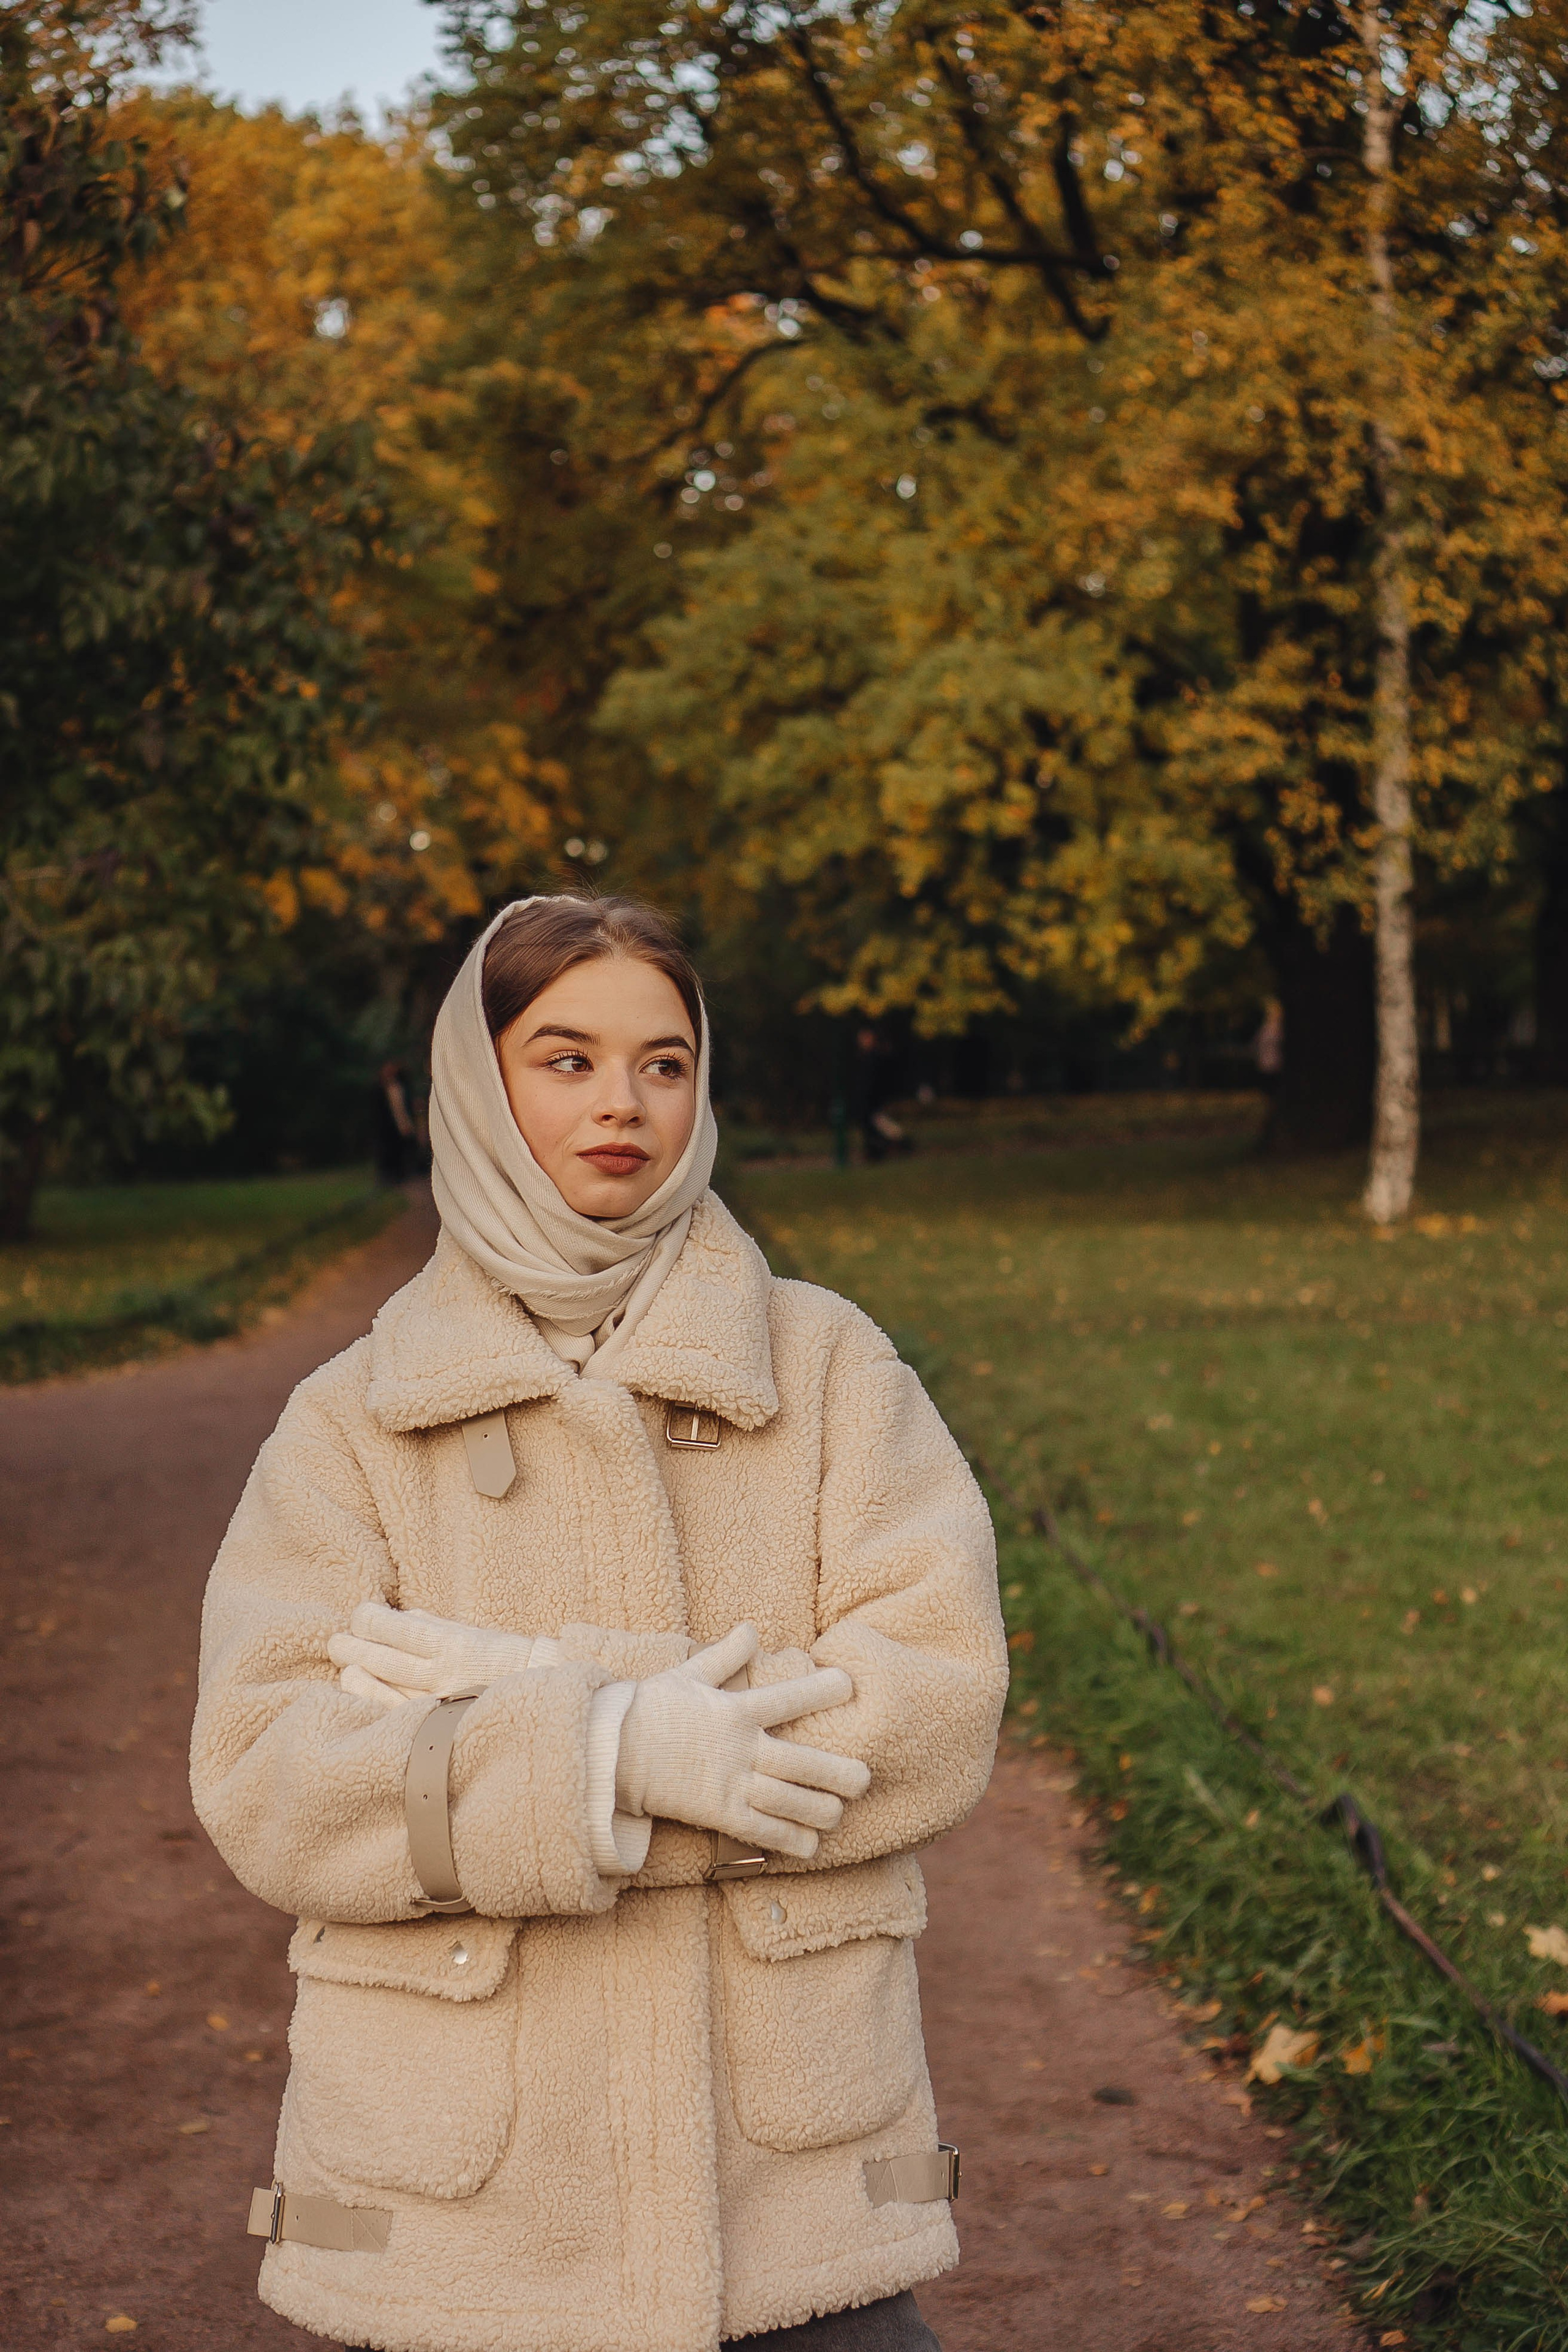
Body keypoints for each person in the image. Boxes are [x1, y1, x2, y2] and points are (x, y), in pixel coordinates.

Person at [190, 894, 1008, 2352]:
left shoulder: (825, 1368)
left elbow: (933, 1702)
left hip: (788, 2191)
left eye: (663, 1061)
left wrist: (530, 1703)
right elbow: (268, 1774)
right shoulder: (349, 1422)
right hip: (460, 2204)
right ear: (477, 1081)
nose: (620, 1104)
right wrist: (611, 1751)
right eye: (564, 1058)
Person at [371, 1058, 419, 1186]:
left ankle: (407, 1173)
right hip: (389, 1127)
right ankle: (392, 1176)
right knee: (391, 1151)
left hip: (404, 1122)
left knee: (406, 1148)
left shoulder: (402, 1086)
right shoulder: (379, 1089)